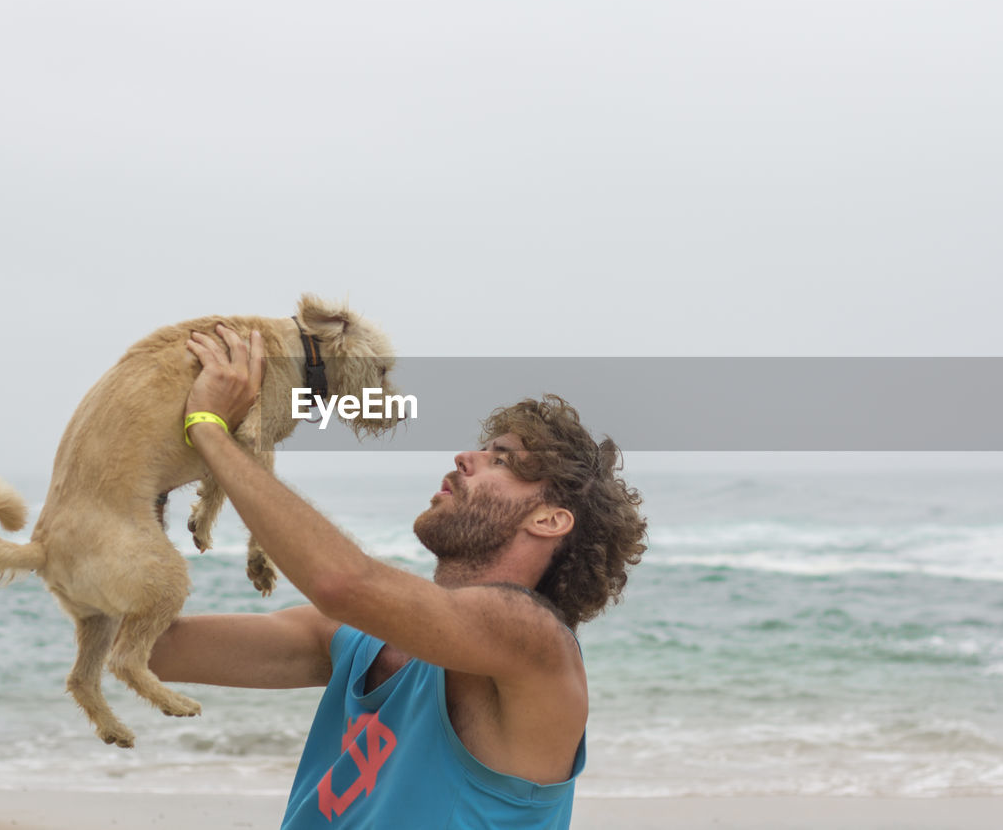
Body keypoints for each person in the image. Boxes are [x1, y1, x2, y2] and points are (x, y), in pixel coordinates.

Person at [149, 325, 649, 828]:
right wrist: (140, 489)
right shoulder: (354, 642)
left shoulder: (535, 645)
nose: (464, 457)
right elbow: (151, 649)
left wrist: (210, 427)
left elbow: (341, 582)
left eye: (502, 460)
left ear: (549, 519)